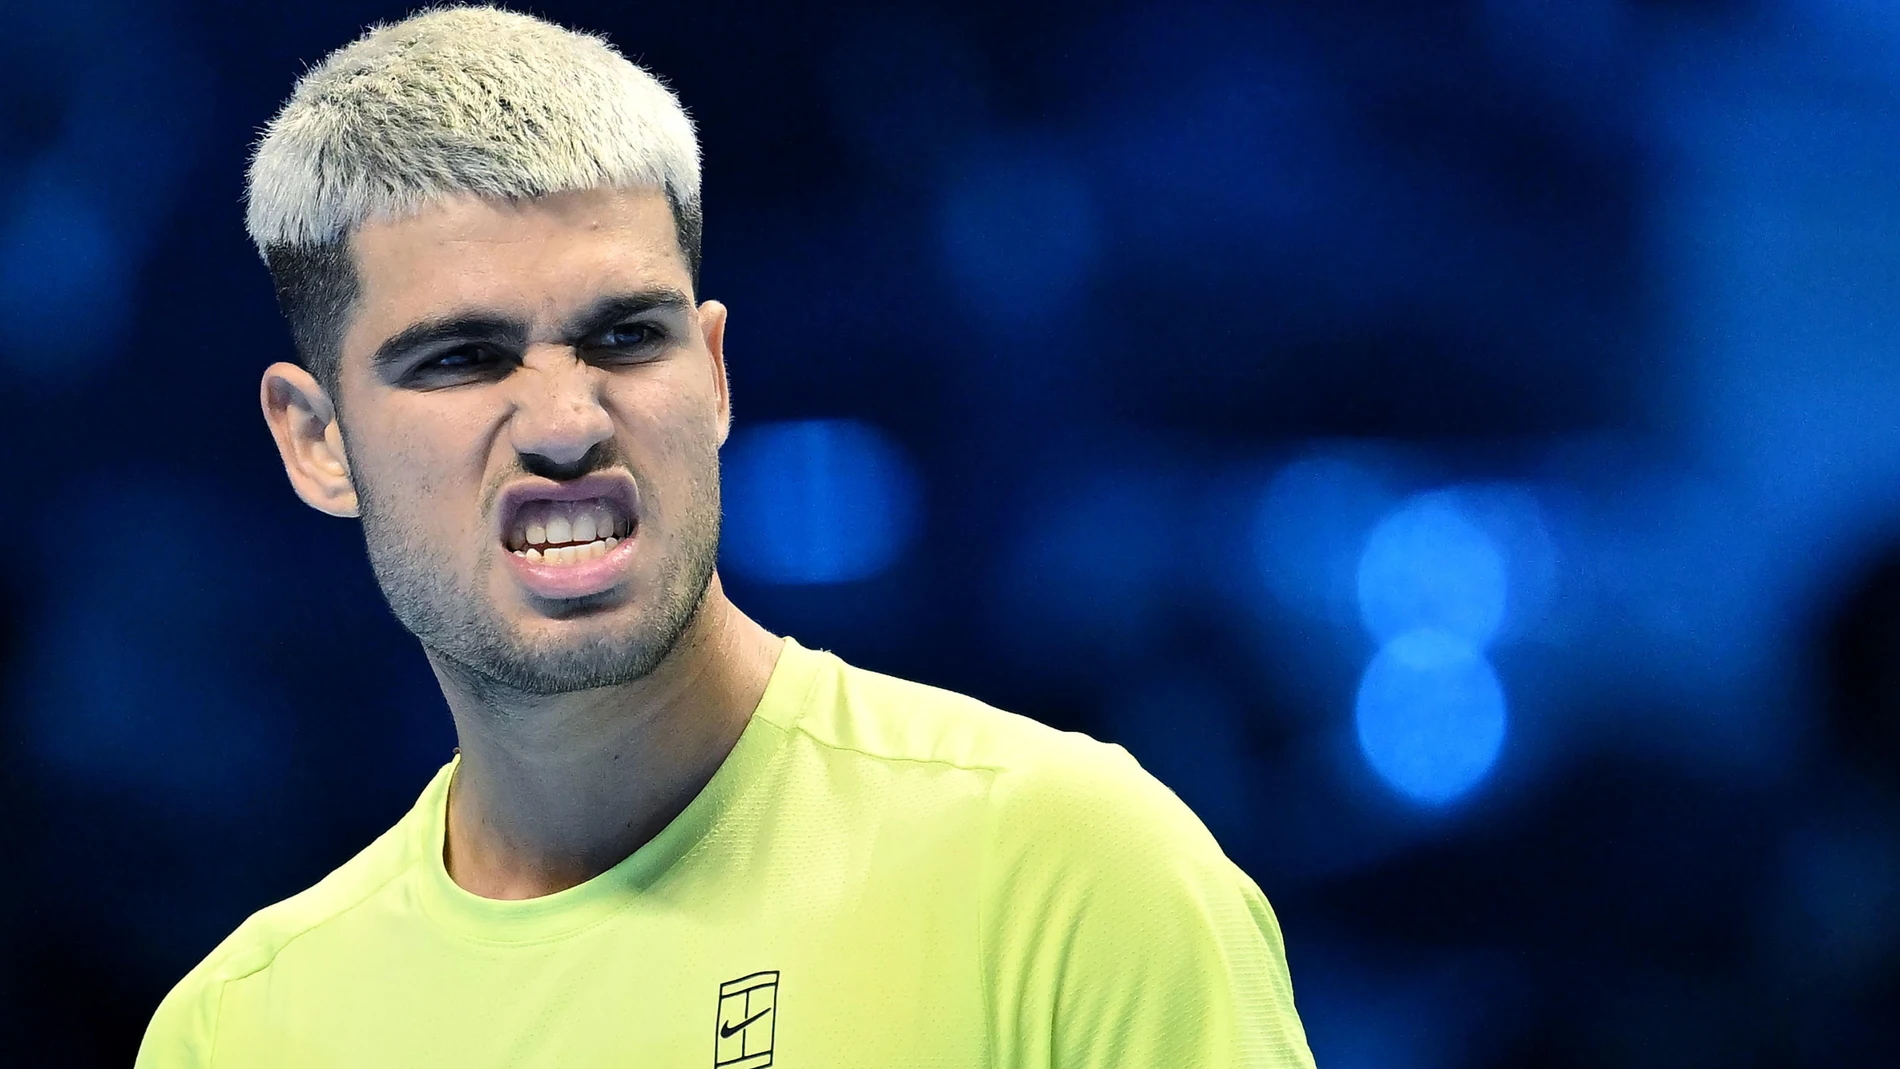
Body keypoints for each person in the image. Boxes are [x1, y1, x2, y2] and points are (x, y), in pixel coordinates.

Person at [135, 6, 1315, 1066]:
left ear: (711, 374)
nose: (562, 422)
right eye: (462, 357)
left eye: (621, 338)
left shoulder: (1070, 872)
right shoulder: (238, 1027)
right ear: (316, 440)